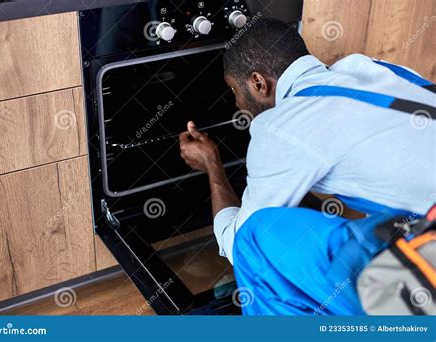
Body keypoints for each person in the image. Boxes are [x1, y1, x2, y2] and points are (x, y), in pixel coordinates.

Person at [178, 18, 435, 315]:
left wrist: (213, 165)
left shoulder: (281, 126)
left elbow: (238, 245)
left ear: (258, 83)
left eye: (234, 90)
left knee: (255, 241)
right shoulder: (367, 67)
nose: (236, 103)